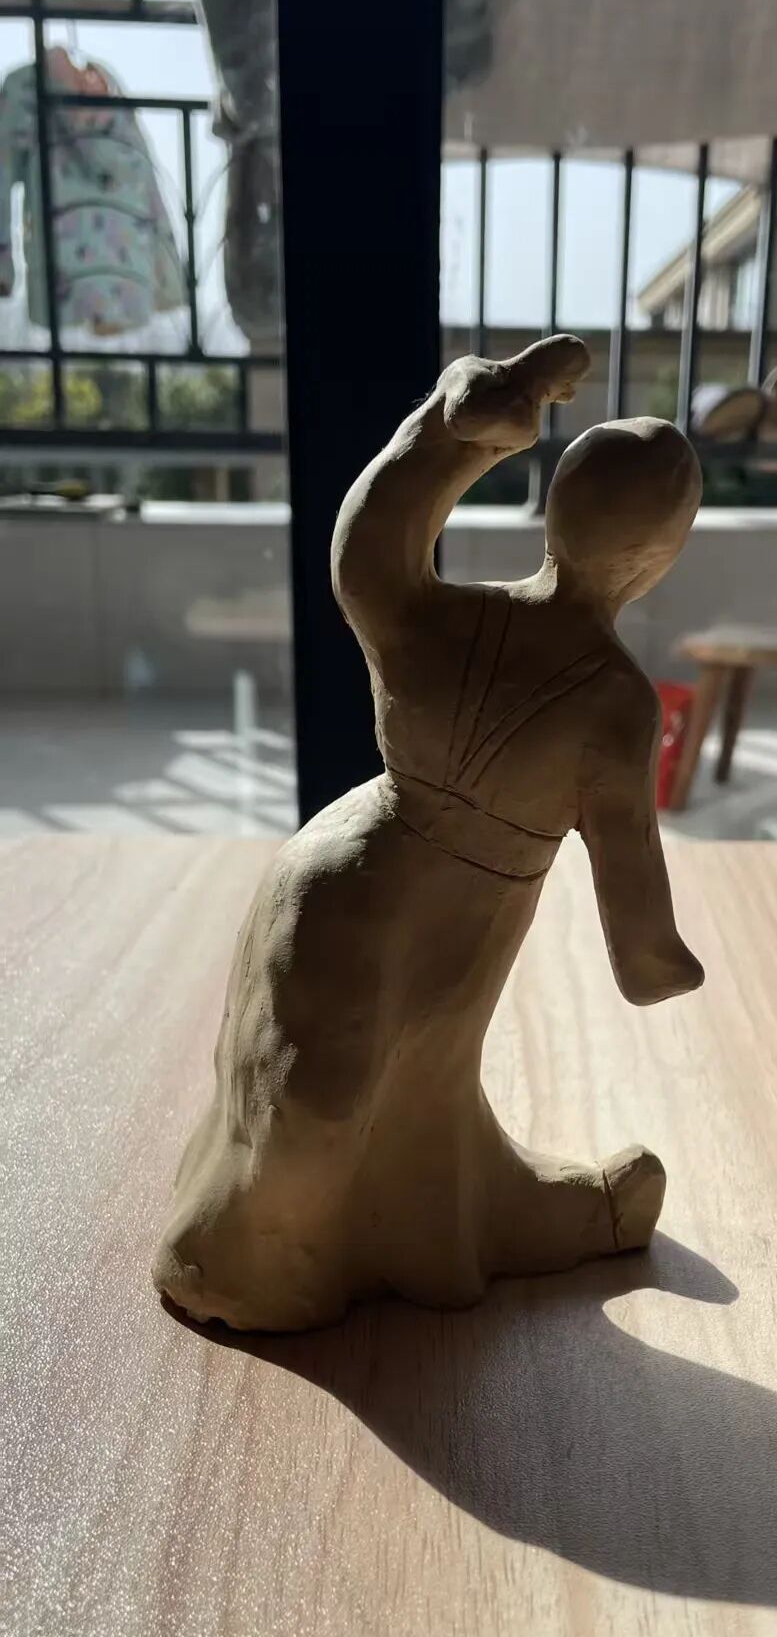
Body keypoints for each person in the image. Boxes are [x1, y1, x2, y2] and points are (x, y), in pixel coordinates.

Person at [153, 336, 705, 1331]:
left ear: (554, 513)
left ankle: (248, 1251)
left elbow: (365, 557)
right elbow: (631, 884)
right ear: (661, 558)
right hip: (452, 919)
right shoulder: (619, 705)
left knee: (315, 1083)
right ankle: (261, 1265)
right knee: (362, 1093)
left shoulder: (451, 621)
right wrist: (655, 958)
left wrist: (450, 436)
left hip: (333, 866)